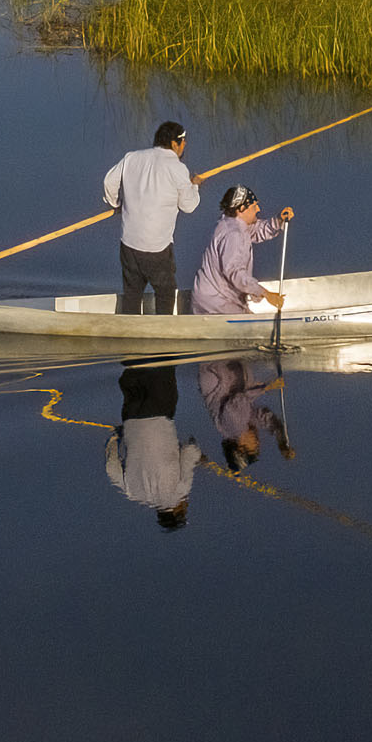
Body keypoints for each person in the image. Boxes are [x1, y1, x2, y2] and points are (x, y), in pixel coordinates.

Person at [100, 121, 199, 315]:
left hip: (128, 244)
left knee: (132, 293)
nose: (184, 146)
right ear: (174, 144)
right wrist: (194, 186)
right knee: (166, 292)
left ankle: (130, 331)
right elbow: (189, 206)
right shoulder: (177, 168)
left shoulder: (132, 158)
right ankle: (161, 334)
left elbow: (109, 181)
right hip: (157, 248)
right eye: (183, 142)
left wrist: (116, 203)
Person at [105, 359, 199, 529]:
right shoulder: (133, 493)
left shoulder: (178, 493)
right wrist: (114, 439)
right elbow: (112, 468)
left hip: (159, 413)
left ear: (177, 511)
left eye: (185, 510)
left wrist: (195, 448)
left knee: (165, 363)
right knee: (134, 369)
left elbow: (189, 454)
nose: (186, 505)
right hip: (131, 418)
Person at [188, 183, 294, 319]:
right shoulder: (233, 234)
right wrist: (266, 294)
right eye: (254, 206)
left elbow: (257, 231)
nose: (258, 209)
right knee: (253, 329)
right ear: (241, 209)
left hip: (213, 298)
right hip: (217, 304)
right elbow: (235, 272)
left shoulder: (231, 223)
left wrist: (278, 221)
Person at [193, 351, 292, 474]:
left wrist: (266, 388)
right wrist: (281, 438)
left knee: (247, 381)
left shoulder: (233, 428)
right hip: (227, 363)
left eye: (254, 447)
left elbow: (239, 399)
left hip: (216, 363)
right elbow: (264, 417)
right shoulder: (243, 426)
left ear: (241, 447)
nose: (258, 442)